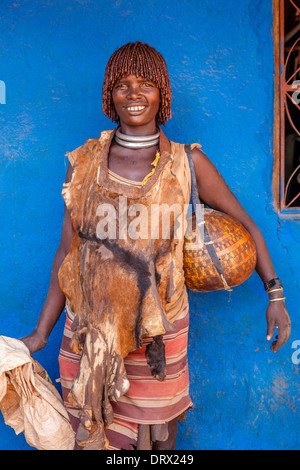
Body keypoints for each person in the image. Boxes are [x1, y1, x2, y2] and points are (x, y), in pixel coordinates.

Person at [20, 41, 291, 450]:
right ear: (109, 93)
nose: (134, 94)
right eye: (122, 85)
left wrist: (275, 295)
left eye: (145, 84)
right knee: (92, 433)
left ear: (162, 92)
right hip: (88, 328)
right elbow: (67, 253)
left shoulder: (187, 163)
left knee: (157, 439)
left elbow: (246, 226)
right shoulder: (84, 162)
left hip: (158, 330)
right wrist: (41, 333)